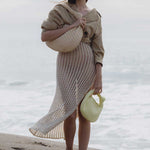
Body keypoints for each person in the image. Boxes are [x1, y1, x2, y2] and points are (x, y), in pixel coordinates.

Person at [29, 0, 105, 150]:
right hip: (66, 66)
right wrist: (72, 26)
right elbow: (45, 35)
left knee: (84, 113)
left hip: (87, 68)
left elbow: (98, 49)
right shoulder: (60, 10)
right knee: (70, 111)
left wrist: (99, 76)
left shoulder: (94, 16)